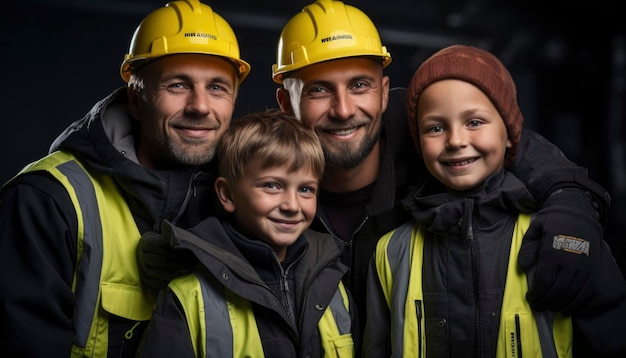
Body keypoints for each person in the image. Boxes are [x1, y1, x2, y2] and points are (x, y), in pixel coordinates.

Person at [270, 0, 611, 338]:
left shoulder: (427, 126)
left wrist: (571, 204)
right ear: (285, 103)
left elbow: (518, 146)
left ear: (384, 92)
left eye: (360, 85)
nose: (344, 110)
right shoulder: (261, 168)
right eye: (318, 90)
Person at [0, 1, 250, 357]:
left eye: (217, 88)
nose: (200, 106)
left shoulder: (248, 203)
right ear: (136, 98)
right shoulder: (47, 200)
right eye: (178, 85)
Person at [362, 44, 626, 358]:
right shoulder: (392, 252)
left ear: (511, 133)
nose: (456, 140)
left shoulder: (558, 239)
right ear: (418, 143)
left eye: (474, 122)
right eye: (435, 128)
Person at [135, 110, 356, 357]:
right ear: (228, 194)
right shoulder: (190, 296)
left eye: (305, 189)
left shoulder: (334, 287)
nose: (292, 205)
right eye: (272, 186)